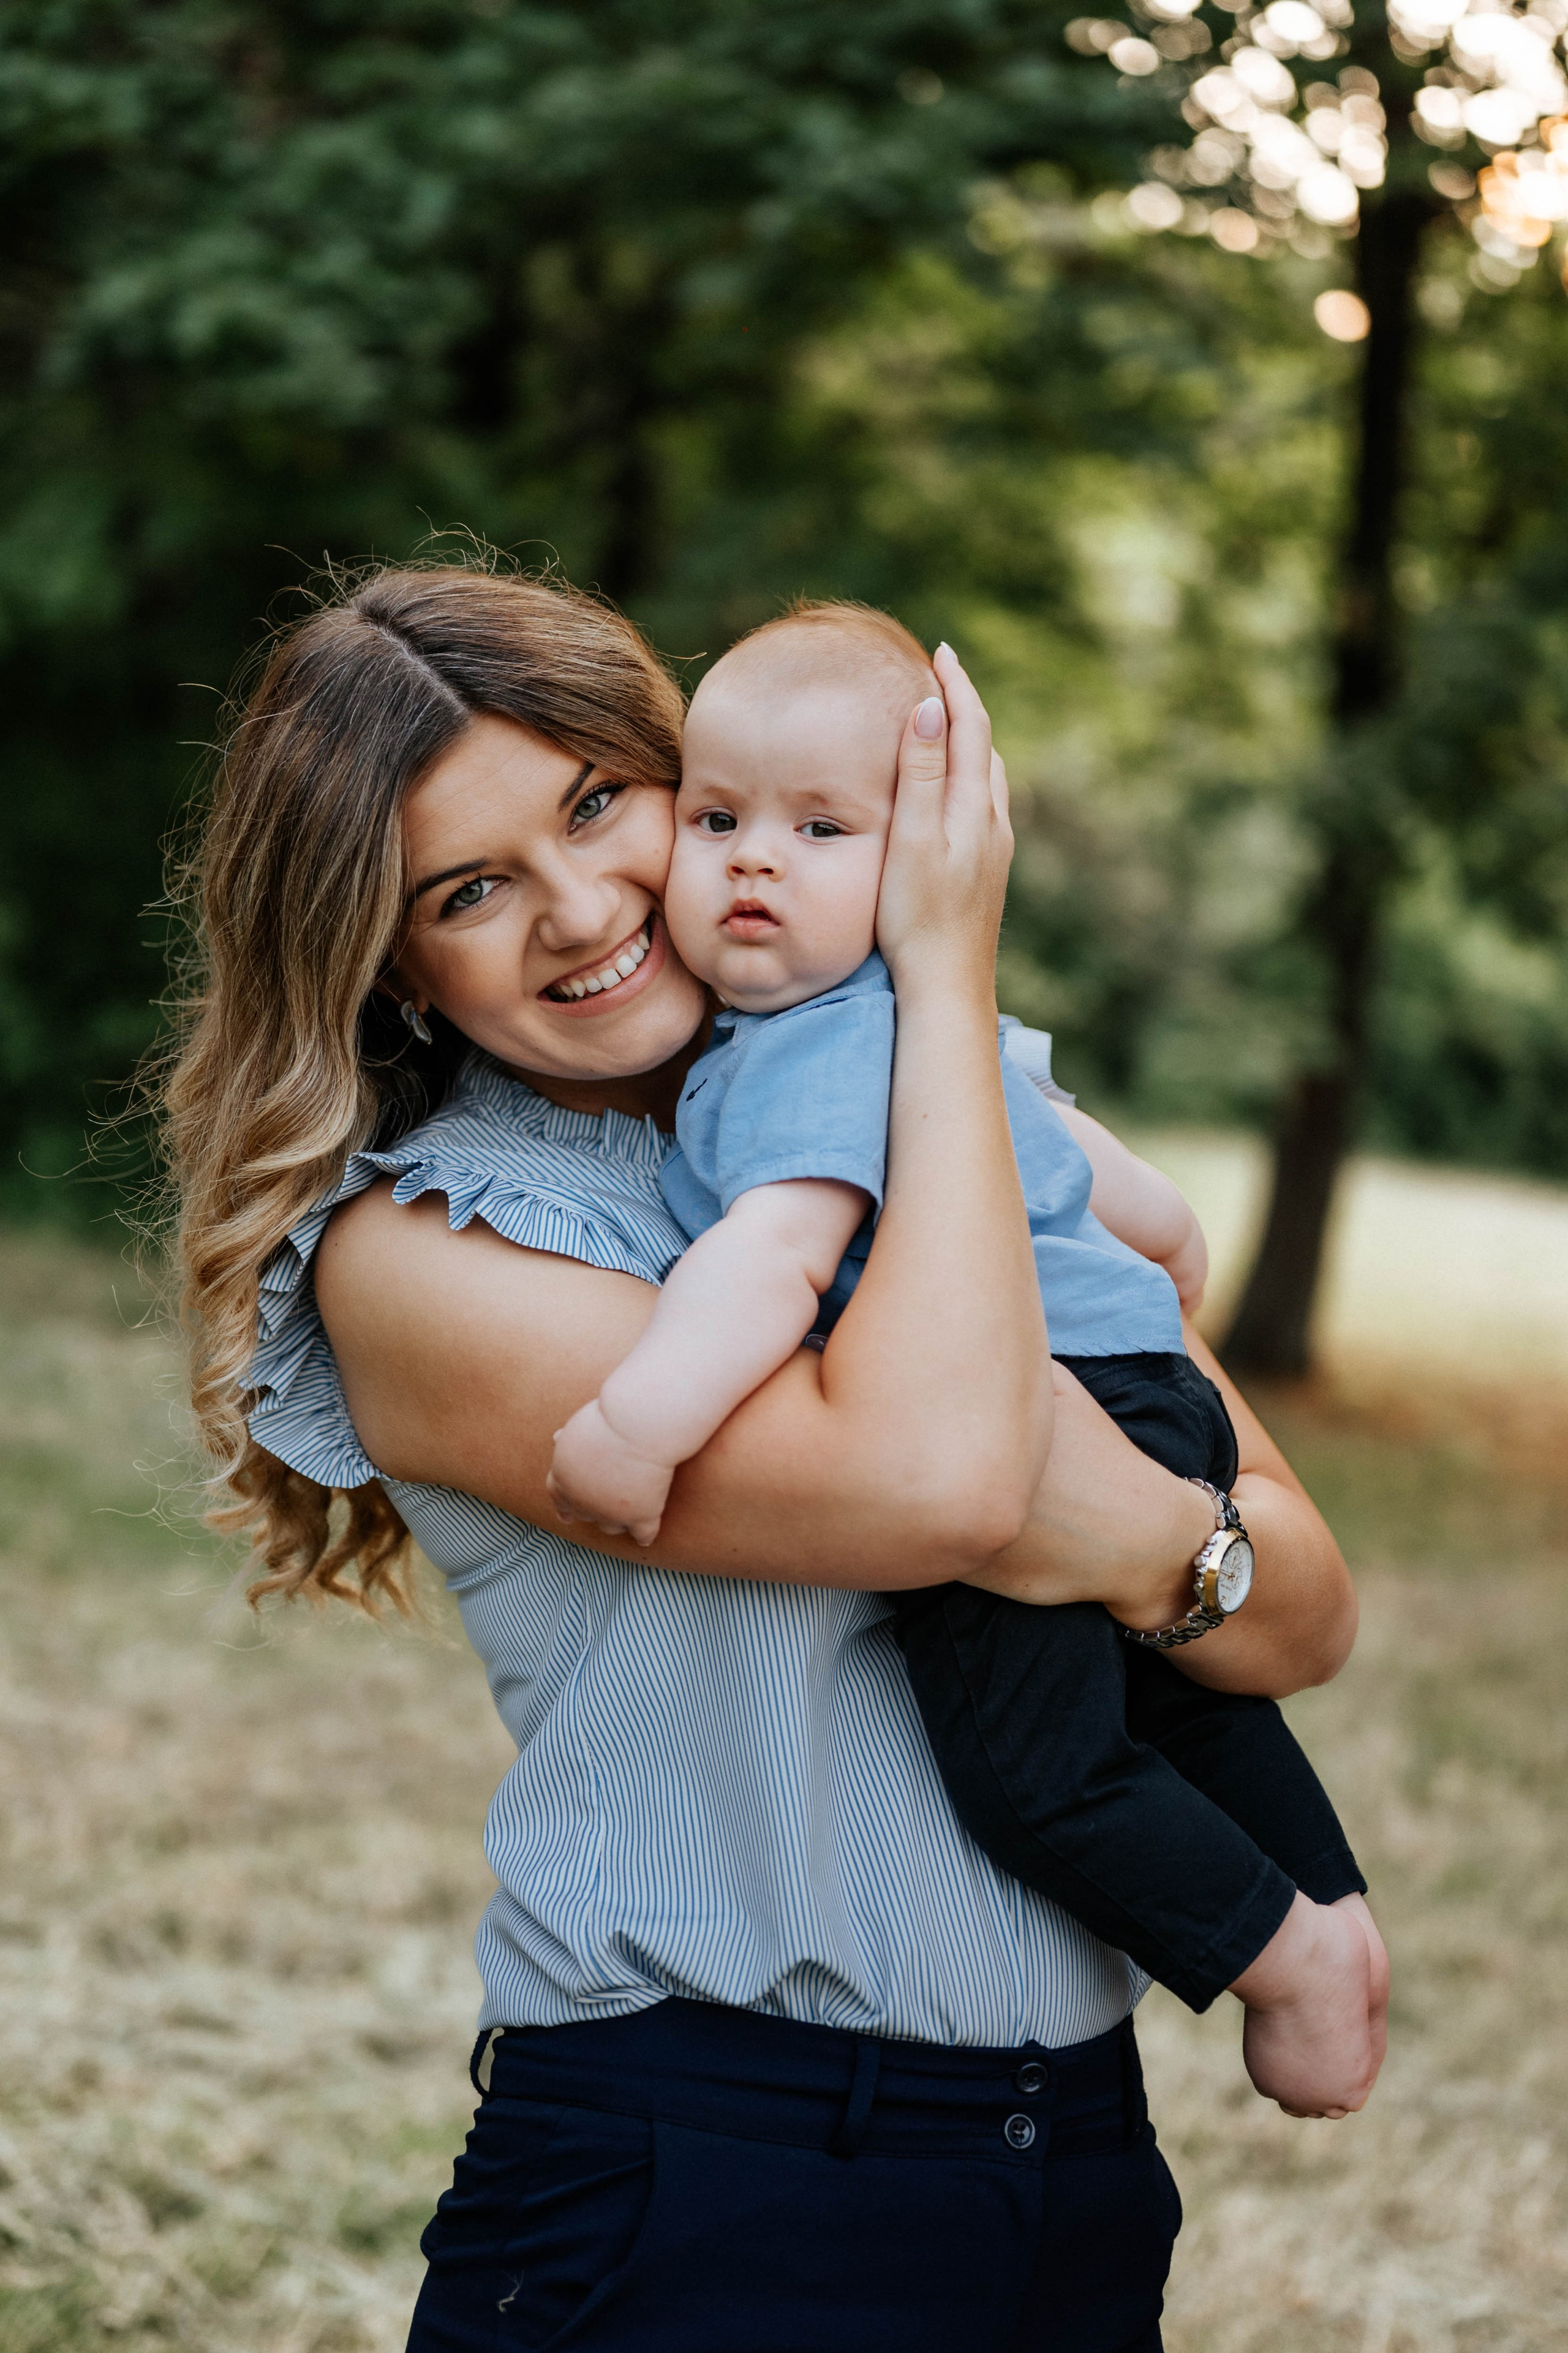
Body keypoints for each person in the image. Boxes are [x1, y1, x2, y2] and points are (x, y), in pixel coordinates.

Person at [164, 562, 1384, 2352]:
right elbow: (947, 1485)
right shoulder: (429, 1256)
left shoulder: (944, 1097)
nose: (582, 908)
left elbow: (1303, 1615)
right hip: (708, 2167)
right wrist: (945, 972)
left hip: (1074, 2159)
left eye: (599, 803)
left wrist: (1141, 1536)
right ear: (386, 958)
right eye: (470, 888)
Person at [545, 600, 1376, 2114]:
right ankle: (1330, 1898)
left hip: (1026, 1410)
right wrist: (1170, 1257)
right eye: (718, 816)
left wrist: (637, 1421)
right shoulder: (935, 1014)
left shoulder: (802, 1048)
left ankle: (1281, 1954)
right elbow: (1102, 1173)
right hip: (1145, 1382)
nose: (751, 860)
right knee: (1177, 1696)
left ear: (925, 858)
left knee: (1031, 1765)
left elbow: (772, 1257)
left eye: (819, 827)